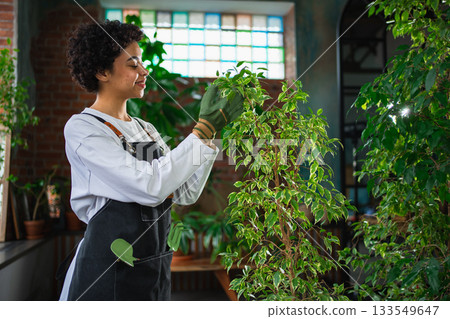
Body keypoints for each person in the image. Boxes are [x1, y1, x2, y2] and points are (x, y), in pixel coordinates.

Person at [59, 20, 243, 301]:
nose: (144, 71)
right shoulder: (84, 128)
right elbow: (149, 186)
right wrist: (202, 129)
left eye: (141, 63)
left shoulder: (145, 129)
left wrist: (212, 133)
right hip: (106, 272)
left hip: (152, 268)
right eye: (133, 65)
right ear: (101, 71)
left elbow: (184, 192)